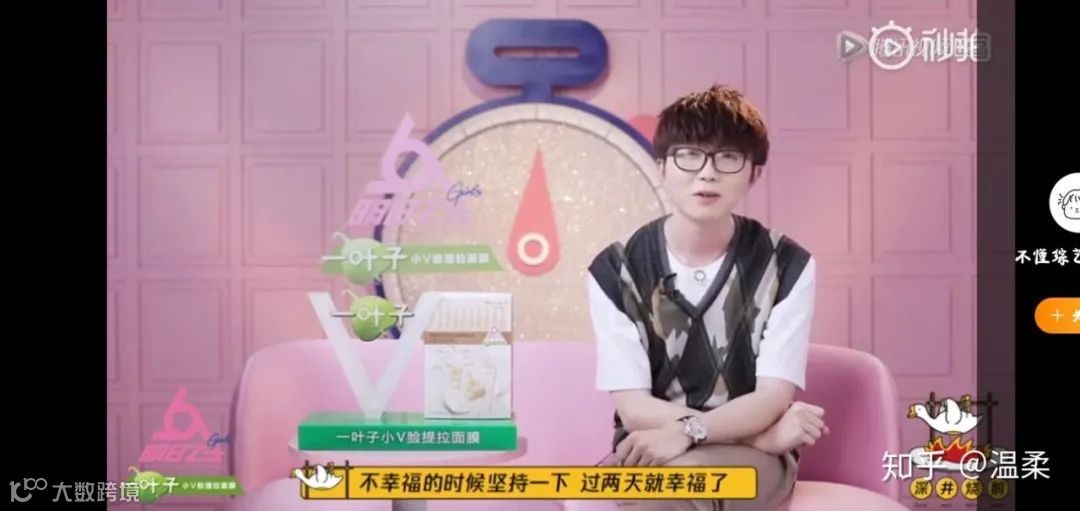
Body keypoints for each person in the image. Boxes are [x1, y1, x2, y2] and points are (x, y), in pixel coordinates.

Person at [587, 84, 827, 511]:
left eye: (728, 158)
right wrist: (761, 435)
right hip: (650, 447)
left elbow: (771, 397)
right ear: (662, 166)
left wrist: (691, 432)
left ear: (754, 173)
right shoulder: (615, 270)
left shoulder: (787, 265)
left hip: (749, 461)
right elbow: (634, 407)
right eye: (689, 155)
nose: (708, 173)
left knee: (679, 495)